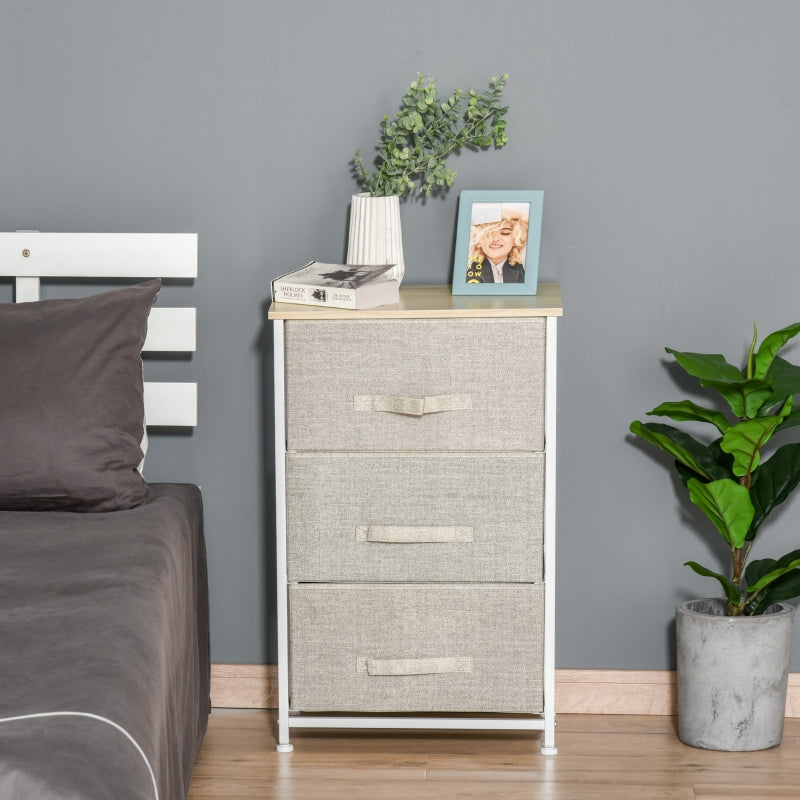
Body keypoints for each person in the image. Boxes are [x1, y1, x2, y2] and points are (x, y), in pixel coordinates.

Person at [466, 204, 529, 284]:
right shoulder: (468, 259)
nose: (495, 239)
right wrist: (520, 215)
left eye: (505, 233)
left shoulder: (524, 262)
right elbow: (468, 214)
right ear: (479, 238)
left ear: (516, 239)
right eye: (489, 233)